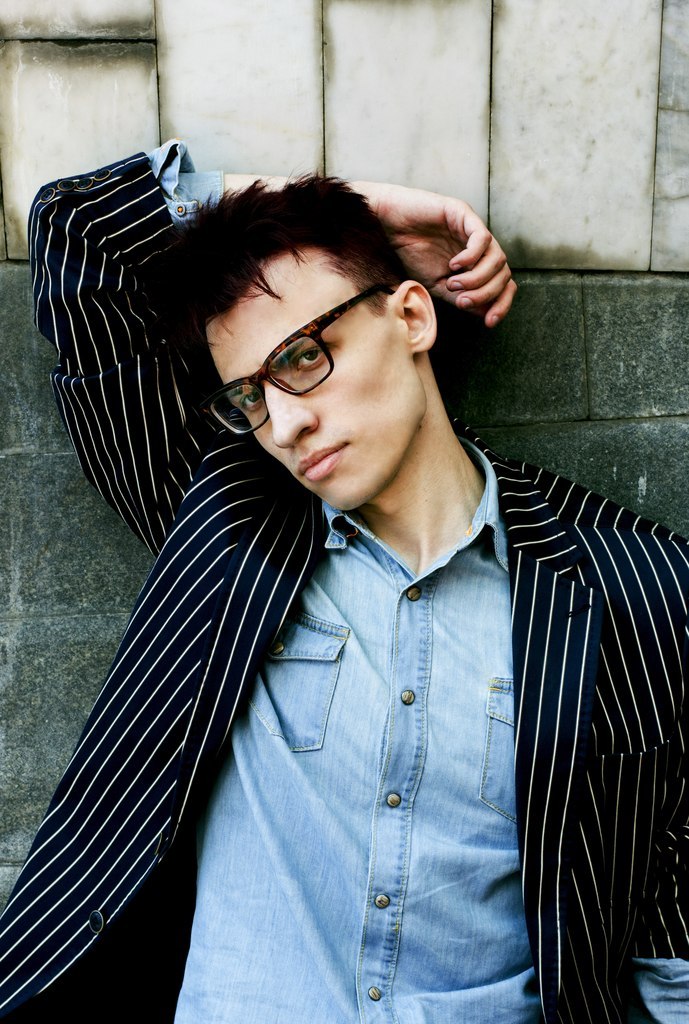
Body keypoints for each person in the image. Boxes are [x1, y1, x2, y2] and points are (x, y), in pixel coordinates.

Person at [0, 142, 686, 1023]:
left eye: (302, 357)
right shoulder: (225, 526)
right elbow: (80, 225)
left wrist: (348, 229)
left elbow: (669, 946)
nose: (284, 424)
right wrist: (372, 207)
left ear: (411, 316)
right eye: (250, 396)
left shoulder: (635, 587)